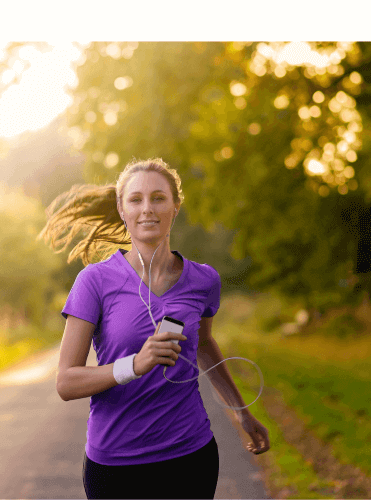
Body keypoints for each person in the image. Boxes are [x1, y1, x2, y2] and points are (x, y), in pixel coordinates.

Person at [37, 157, 270, 499]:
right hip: (115, 465)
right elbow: (66, 382)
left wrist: (241, 413)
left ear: (175, 206)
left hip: (190, 456)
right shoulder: (94, 282)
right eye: (136, 199)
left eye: (158, 197)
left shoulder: (204, 280)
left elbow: (203, 345)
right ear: (122, 209)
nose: (148, 209)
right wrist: (135, 365)